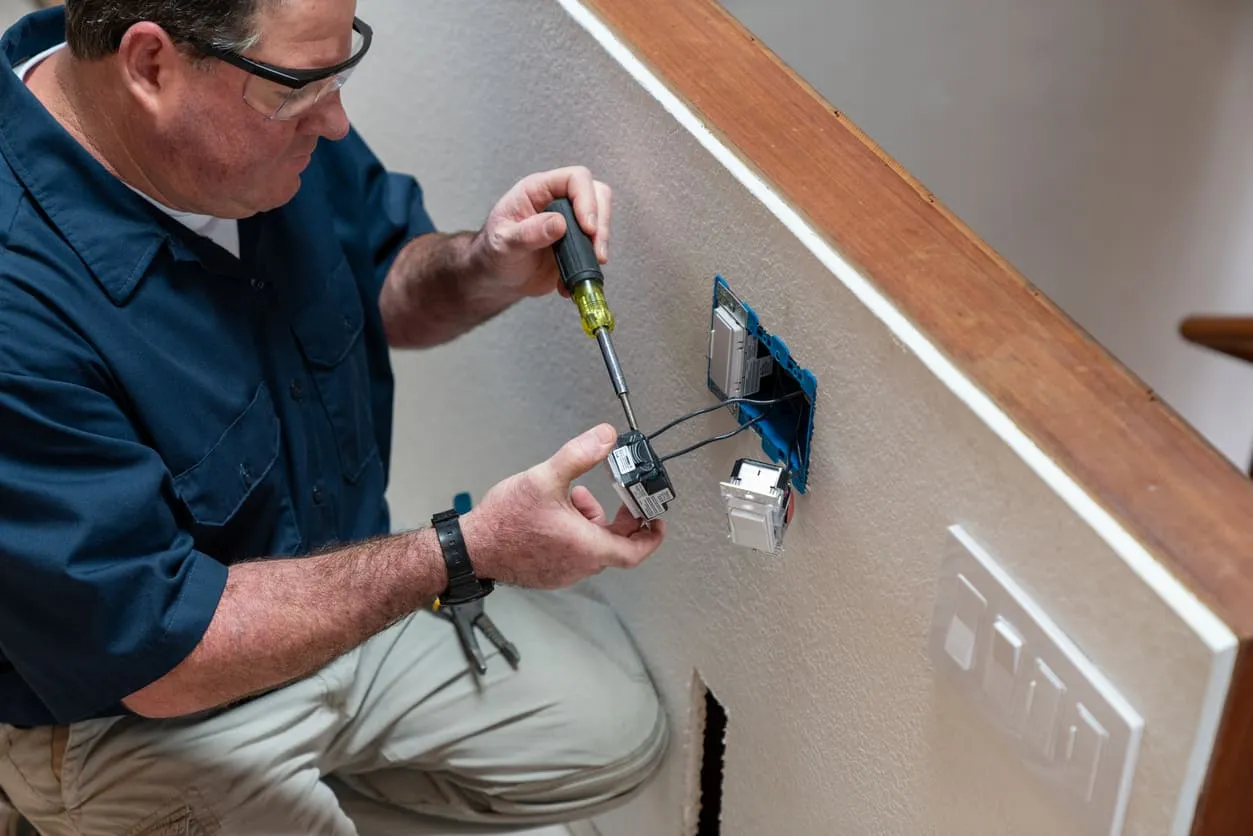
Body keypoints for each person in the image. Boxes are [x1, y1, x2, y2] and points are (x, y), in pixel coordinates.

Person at [0, 1, 670, 833]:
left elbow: (385, 278)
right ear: (150, 66)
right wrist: (461, 552)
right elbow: (156, 651)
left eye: (340, 70)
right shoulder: (18, 305)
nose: (337, 120)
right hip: (140, 710)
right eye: (299, 91)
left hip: (340, 608)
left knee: (616, 730)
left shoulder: (261, 126)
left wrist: (482, 266)